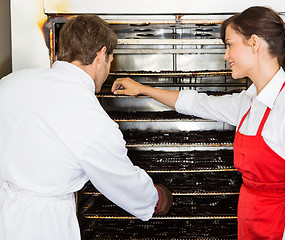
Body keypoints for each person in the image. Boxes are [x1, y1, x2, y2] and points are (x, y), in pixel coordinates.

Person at [111, 6, 285, 240]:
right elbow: (196, 103)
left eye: (229, 44)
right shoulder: (249, 102)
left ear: (254, 43)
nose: (226, 55)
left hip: (282, 230)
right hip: (251, 225)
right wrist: (143, 89)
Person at [0, 15, 172, 240]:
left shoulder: (11, 82)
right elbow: (120, 180)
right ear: (101, 55)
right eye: (110, 60)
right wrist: (157, 199)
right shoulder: (90, 117)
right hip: (42, 225)